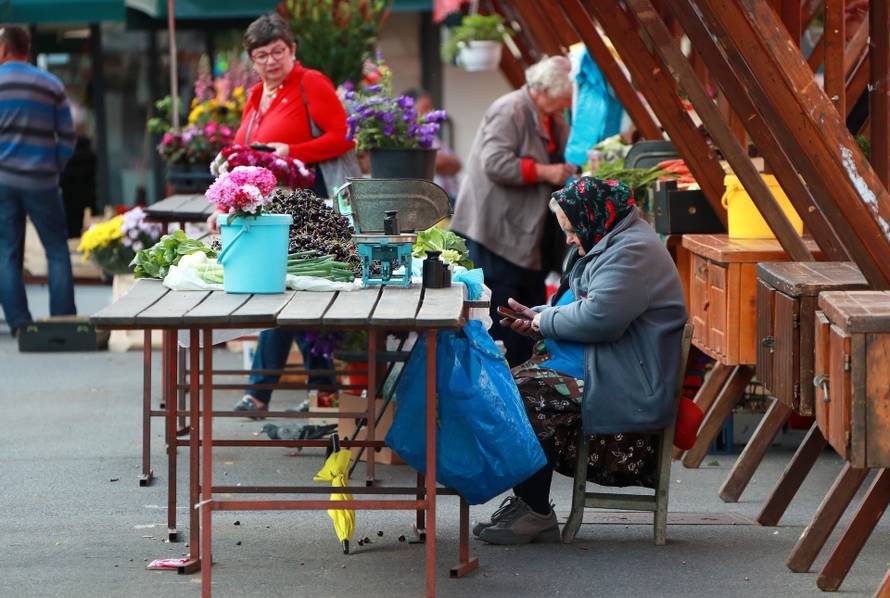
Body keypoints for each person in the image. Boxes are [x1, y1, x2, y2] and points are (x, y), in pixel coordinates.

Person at [474, 177, 687, 545]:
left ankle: (536, 510)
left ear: (594, 218)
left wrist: (542, 322)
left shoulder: (632, 252)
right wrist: (539, 315)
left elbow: (600, 318)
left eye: (572, 230)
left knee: (525, 395)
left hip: (627, 382)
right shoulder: (613, 240)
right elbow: (584, 304)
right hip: (604, 364)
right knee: (508, 388)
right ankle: (528, 504)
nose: (570, 239)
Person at [205, 14, 354, 416]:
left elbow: (343, 136)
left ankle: (265, 393)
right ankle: (322, 393)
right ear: (252, 59)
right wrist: (223, 207)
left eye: (278, 52)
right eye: (261, 55)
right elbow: (243, 156)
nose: (271, 61)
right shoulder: (256, 96)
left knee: (286, 296)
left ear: (292, 50)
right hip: (265, 212)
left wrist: (292, 152)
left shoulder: (311, 83)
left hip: (306, 207)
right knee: (287, 298)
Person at [450, 55, 577, 367]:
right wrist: (548, 172)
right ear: (544, 90)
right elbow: (494, 162)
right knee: (503, 308)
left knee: (528, 306)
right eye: (563, 98)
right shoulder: (510, 109)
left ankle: (526, 375)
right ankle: (509, 377)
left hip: (528, 234)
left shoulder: (551, 116)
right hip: (496, 231)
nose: (566, 104)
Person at [0, 25, 76, 336]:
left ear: (3, 49)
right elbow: (68, 136)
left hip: (3, 181)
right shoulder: (50, 84)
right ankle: (63, 321)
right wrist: (53, 165)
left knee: (6, 252)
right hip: (42, 181)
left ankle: (20, 323)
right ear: (27, 48)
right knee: (56, 250)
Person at [400, 87, 462, 200]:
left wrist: (439, 162)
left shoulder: (431, 135)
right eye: (426, 108)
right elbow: (436, 162)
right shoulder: (405, 137)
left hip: (452, 197)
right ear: (408, 111)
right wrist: (441, 163)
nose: (430, 114)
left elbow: (457, 165)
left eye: (431, 109)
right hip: (430, 201)